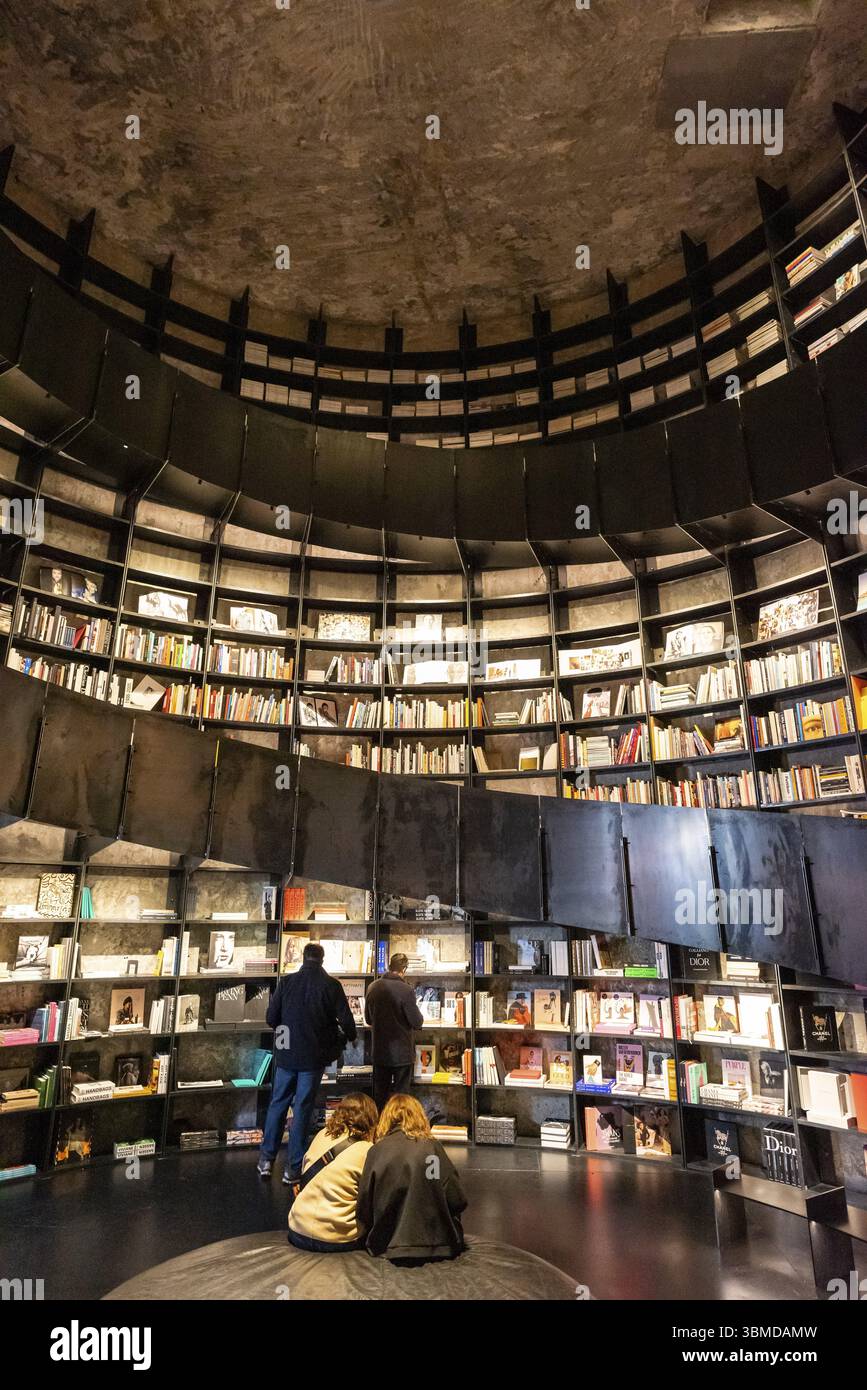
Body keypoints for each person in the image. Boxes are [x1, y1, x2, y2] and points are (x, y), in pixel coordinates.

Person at [258, 942, 357, 1185]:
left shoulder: (287, 982)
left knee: (278, 1103)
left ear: (303, 958)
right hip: (313, 1057)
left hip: (286, 1054)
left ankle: (266, 1160)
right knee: (302, 1107)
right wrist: (346, 1036)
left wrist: (287, 1031)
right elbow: (347, 1022)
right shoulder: (331, 985)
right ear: (322, 960)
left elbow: (271, 1018)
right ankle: (293, 1169)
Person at [355, 1094, 467, 1263]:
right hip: (440, 1244)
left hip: (388, 1245)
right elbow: (457, 1199)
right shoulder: (432, 1148)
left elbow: (364, 1205)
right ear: (419, 1116)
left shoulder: (377, 1151)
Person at [287, 1092, 378, 1253]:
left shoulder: (322, 1135)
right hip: (338, 1238)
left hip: (297, 1230)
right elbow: (371, 1197)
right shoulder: (367, 1150)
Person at [364, 953, 424, 1111]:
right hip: (402, 1054)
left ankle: (380, 1131)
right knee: (402, 1100)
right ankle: (399, 1132)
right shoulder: (406, 990)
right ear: (404, 969)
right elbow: (417, 1022)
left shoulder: (373, 987)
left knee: (380, 1097)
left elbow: (369, 1019)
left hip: (380, 1052)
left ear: (390, 966)